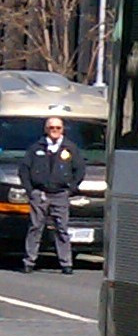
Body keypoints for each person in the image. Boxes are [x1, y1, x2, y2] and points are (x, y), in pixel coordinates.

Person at [18, 115, 86, 273]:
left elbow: (80, 170)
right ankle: (29, 261)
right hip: (40, 194)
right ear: (46, 129)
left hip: (60, 194)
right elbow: (24, 170)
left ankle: (66, 263)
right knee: (35, 227)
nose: (54, 131)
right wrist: (31, 191)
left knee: (62, 228)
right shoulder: (36, 148)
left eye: (58, 128)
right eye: (51, 128)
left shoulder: (70, 148)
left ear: (63, 130)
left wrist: (71, 189)